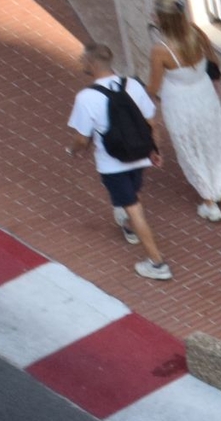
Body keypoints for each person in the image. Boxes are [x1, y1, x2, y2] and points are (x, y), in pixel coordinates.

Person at [66, 42, 170, 281]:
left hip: (112, 163)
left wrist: (73, 151)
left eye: (82, 60)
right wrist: (155, 150)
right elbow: (151, 122)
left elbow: (82, 138)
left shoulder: (86, 98)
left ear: (91, 64)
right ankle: (129, 227)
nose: (80, 63)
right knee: (133, 193)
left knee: (134, 208)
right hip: (140, 155)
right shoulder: (132, 85)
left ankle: (157, 263)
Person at [143, 0, 221, 221]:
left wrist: (144, 102)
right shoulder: (196, 33)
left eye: (155, 14)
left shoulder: (161, 51)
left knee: (191, 146)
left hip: (180, 102)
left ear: (163, 20)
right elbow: (212, 60)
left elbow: (154, 85)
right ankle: (219, 185)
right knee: (211, 139)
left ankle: (209, 203)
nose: (152, 16)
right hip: (205, 95)